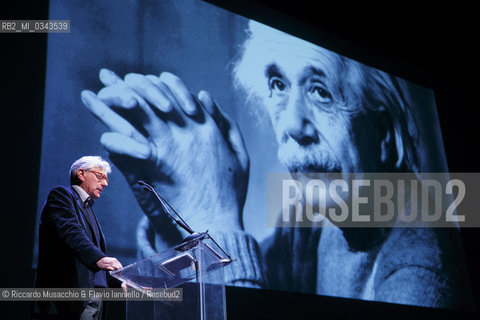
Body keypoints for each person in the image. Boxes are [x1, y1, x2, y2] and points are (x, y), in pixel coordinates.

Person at [80, 21, 472, 308]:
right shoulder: (307, 223)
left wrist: (216, 221)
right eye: (279, 86)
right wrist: (177, 226)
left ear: (383, 136)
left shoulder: (422, 263)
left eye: (320, 92)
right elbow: (210, 293)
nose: (292, 125)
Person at [35, 156, 123, 319]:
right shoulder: (61, 196)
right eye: (100, 176)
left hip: (95, 299)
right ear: (81, 174)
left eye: (106, 178)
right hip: (71, 298)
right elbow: (71, 232)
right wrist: (99, 258)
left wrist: (122, 282)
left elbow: (95, 268)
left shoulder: (88, 208)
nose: (105, 183)